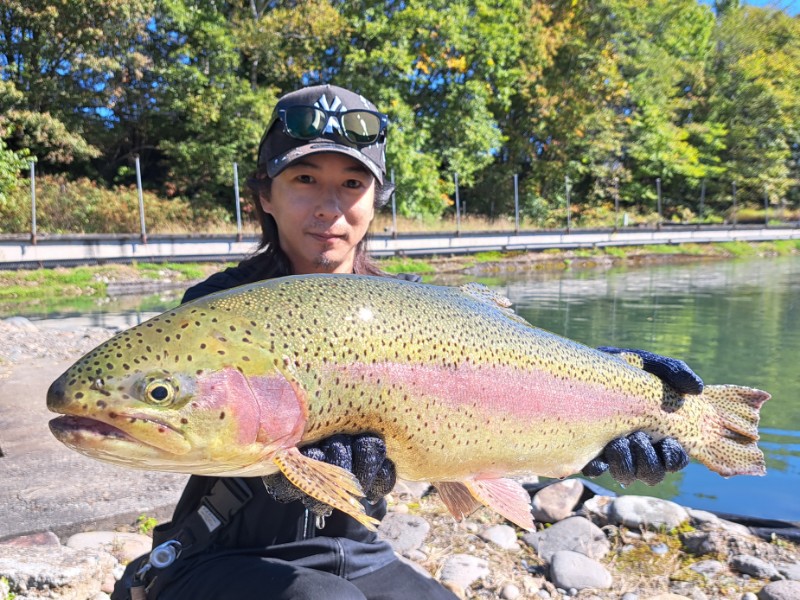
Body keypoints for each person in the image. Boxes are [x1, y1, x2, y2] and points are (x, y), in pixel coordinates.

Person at [113, 84, 701, 599]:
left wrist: (605, 402)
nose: (329, 207)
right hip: (221, 551)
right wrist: (283, 473)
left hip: (357, 550)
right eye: (304, 179)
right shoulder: (218, 311)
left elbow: (499, 381)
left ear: (376, 200)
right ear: (264, 195)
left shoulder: (415, 308)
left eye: (351, 184)